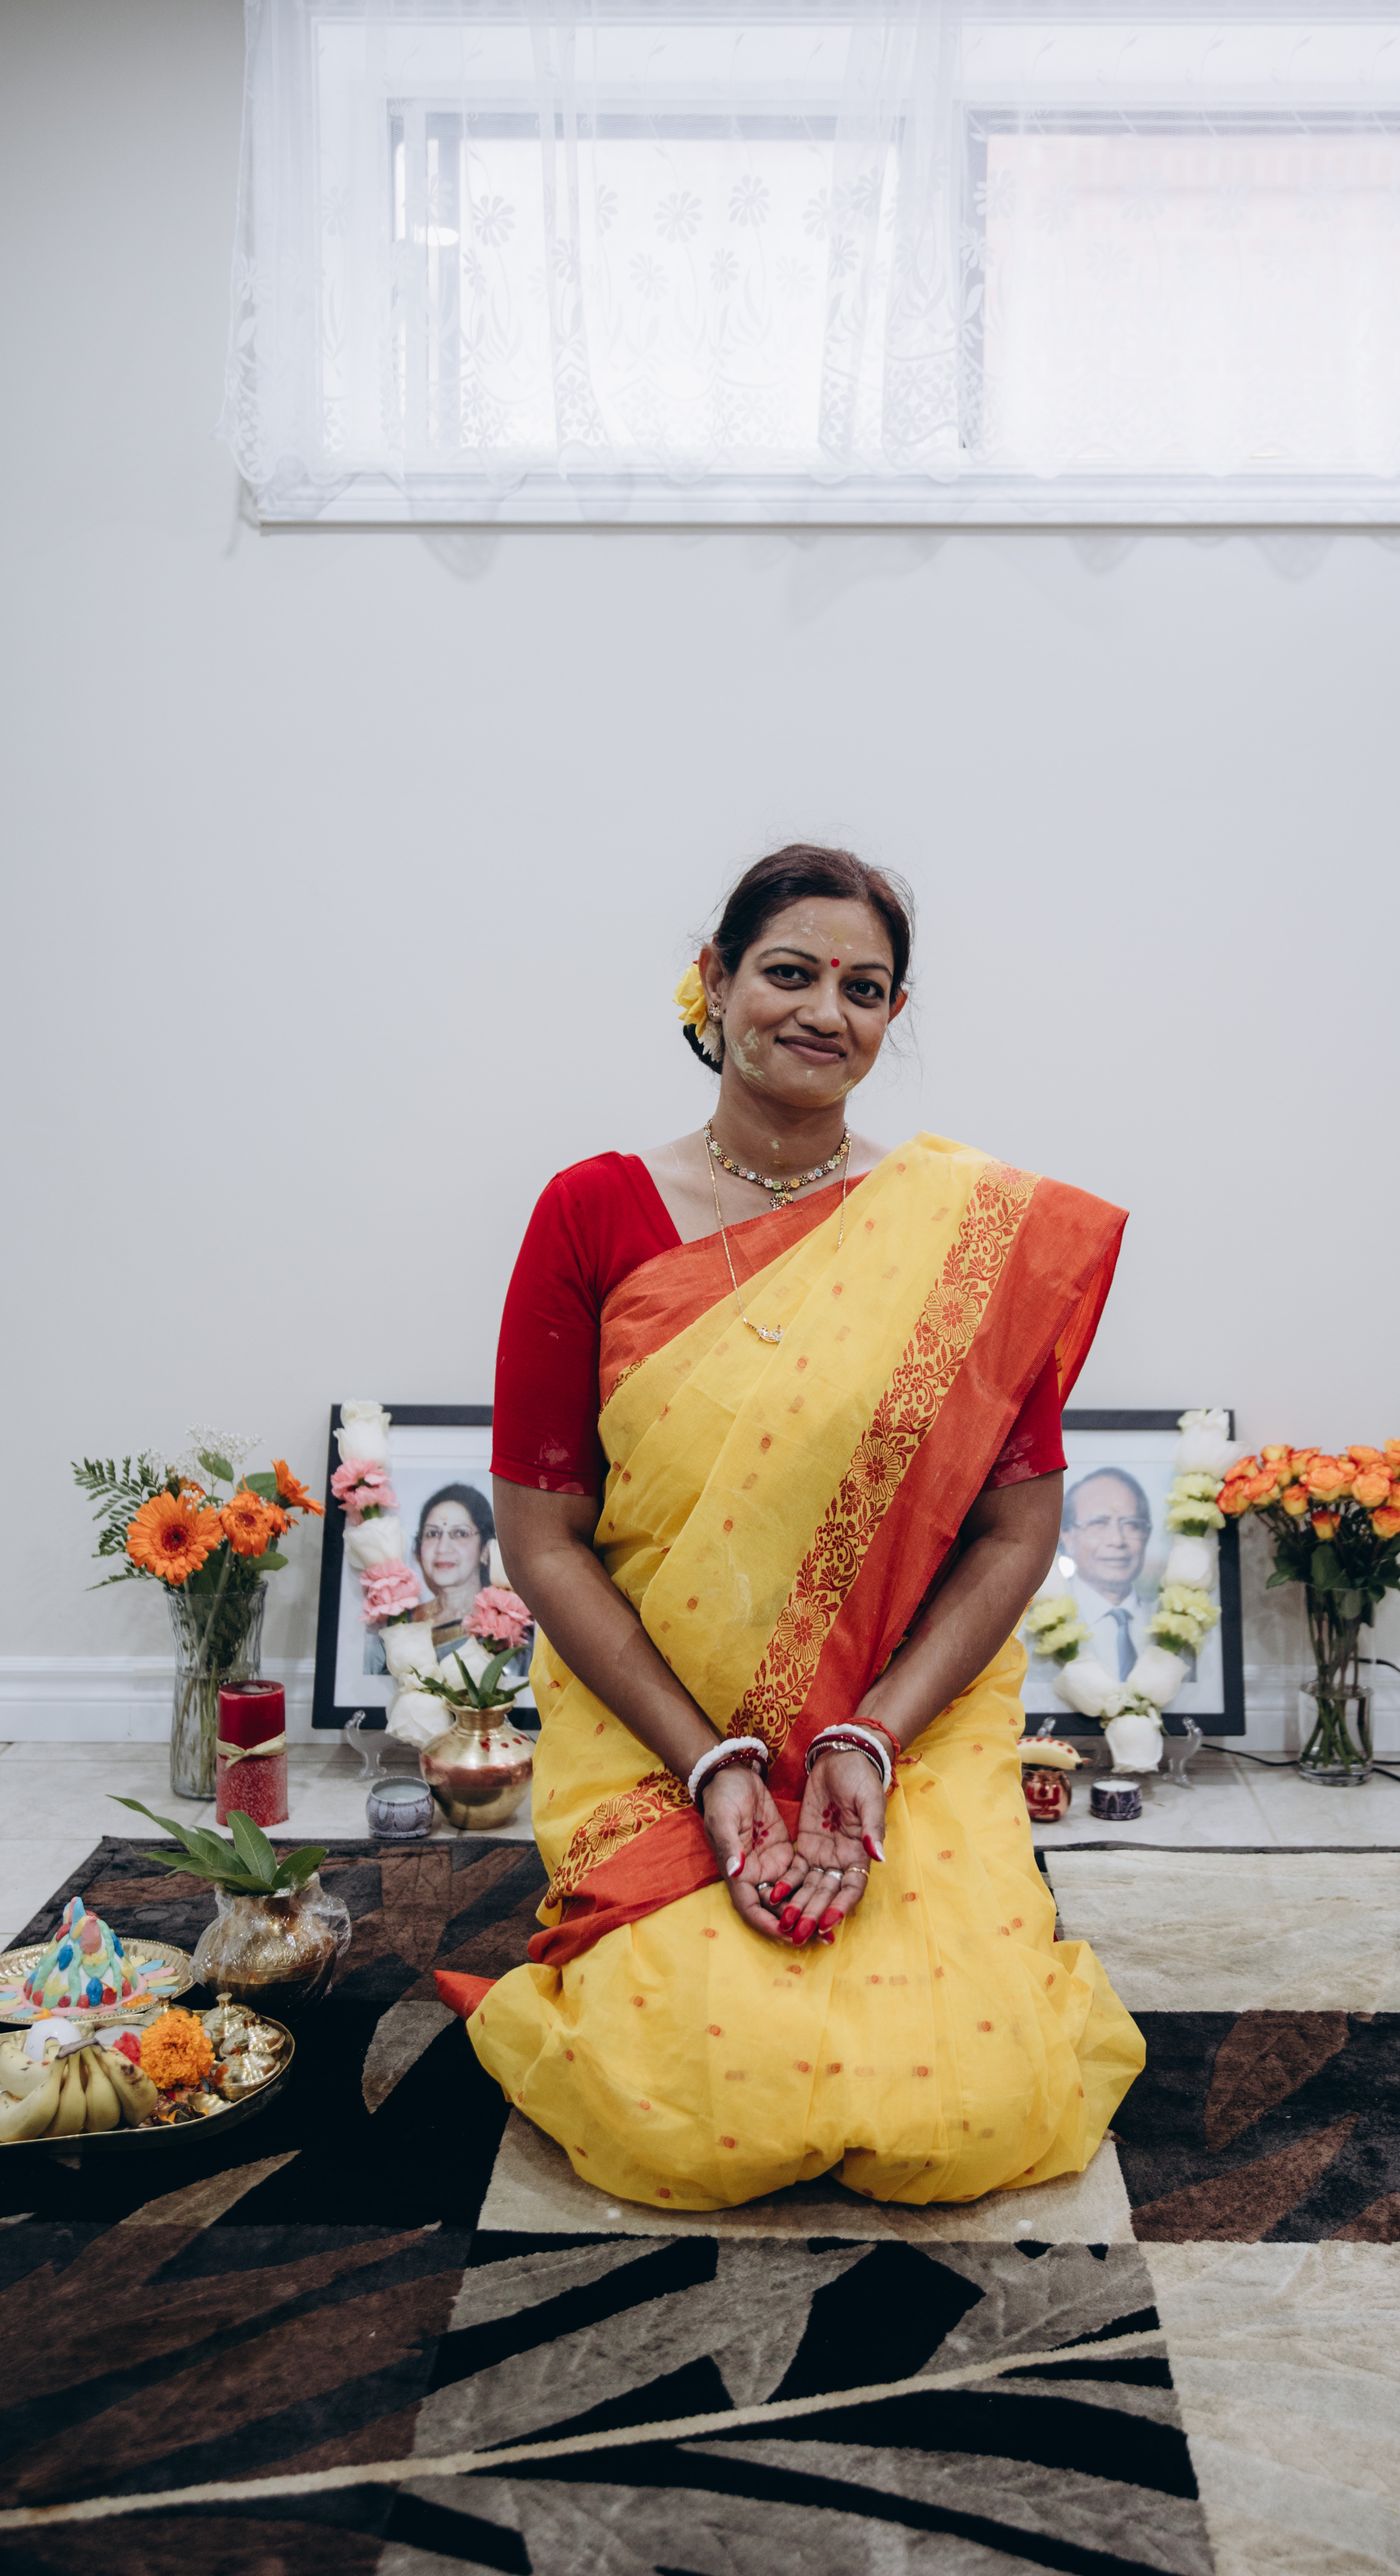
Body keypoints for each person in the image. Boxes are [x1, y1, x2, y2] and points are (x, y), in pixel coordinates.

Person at [460, 844, 1144, 2211]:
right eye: (789, 972)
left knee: (971, 2107)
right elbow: (543, 1539)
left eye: (864, 989)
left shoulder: (963, 1236)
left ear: (893, 1014)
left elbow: (1017, 1532)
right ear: (713, 981)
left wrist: (866, 1737)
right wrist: (714, 1760)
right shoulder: (592, 1210)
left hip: (898, 1714)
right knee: (688, 2108)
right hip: (660, 1711)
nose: (825, 1012)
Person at [1060, 1467, 1154, 1685]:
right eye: (1098, 1524)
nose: (1117, 1540)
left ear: (1147, 1535)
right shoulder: (1033, 1625)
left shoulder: (1172, 1622)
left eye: (1131, 1525)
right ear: (1068, 1538)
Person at [410, 1483, 493, 1654]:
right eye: (433, 1534)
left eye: (461, 1534)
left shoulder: (509, 1626)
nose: (443, 1548)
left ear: (485, 1549)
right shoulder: (401, 1623)